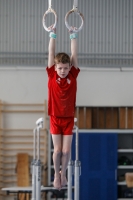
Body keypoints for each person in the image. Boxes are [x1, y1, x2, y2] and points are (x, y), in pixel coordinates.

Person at [46, 26, 80, 190]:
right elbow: (51, 54)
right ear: (55, 67)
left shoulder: (73, 75)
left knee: (66, 152)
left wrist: (73, 35)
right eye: (60, 68)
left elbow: (74, 55)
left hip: (68, 118)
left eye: (66, 68)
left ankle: (63, 173)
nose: (63, 71)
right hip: (54, 117)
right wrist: (52, 34)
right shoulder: (52, 73)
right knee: (57, 150)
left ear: (69, 67)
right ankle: (56, 174)